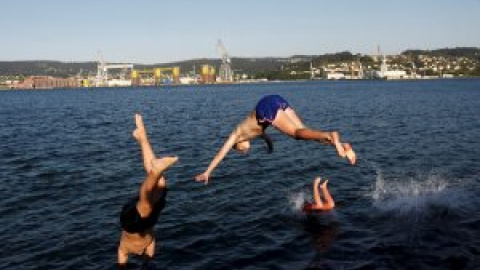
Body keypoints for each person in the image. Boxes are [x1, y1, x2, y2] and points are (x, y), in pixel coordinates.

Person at [195, 94, 356, 184]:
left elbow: (220, 154)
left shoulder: (235, 135)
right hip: (275, 100)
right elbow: (263, 134)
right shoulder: (250, 133)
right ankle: (340, 145)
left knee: (296, 134)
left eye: (241, 151)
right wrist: (269, 144)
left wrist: (207, 172)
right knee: (305, 132)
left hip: (266, 108)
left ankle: (331, 135)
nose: (244, 151)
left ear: (238, 144)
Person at [117, 114, 178, 269]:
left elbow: (121, 262)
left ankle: (155, 171)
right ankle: (142, 137)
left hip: (130, 222)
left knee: (145, 205)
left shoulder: (124, 249)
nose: (138, 253)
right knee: (161, 186)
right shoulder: (149, 243)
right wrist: (147, 262)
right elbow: (149, 259)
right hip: (149, 220)